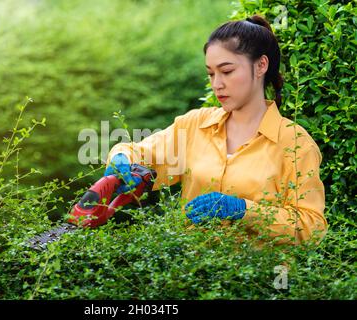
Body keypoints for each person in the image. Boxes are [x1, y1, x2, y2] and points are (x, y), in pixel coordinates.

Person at [104, 15, 327, 245]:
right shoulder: (195, 125)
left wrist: (243, 211)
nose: (216, 84)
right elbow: (141, 153)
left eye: (227, 71)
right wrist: (122, 159)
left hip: (263, 278)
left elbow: (311, 228)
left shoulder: (295, 144)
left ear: (261, 65)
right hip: (189, 275)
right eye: (211, 73)